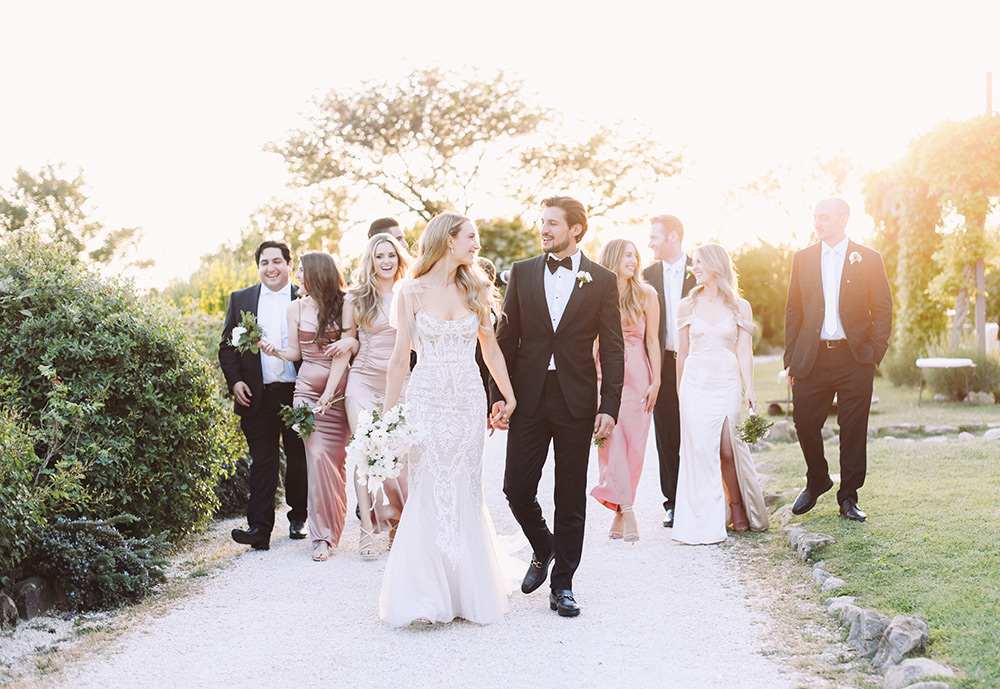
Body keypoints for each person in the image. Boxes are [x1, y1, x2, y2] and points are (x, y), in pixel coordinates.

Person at [379, 212, 517, 626]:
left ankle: (466, 590)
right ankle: (425, 593)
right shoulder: (410, 292)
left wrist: (508, 395)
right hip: (428, 399)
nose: (477, 244)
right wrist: (388, 419)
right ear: (448, 240)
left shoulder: (476, 287)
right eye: (471, 237)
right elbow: (400, 357)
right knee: (428, 485)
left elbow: (490, 349)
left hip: (468, 400)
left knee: (465, 486)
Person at [494, 196, 624, 618]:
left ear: (575, 230)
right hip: (528, 397)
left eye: (552, 223)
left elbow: (615, 349)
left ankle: (563, 583)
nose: (544, 229)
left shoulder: (602, 279)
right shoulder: (523, 272)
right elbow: (505, 340)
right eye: (542, 222)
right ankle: (543, 546)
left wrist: (611, 405)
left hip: (576, 399)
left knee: (570, 496)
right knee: (515, 488)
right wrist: (499, 395)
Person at [785, 198, 892, 522]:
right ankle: (818, 478)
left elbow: (883, 308)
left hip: (854, 358)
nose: (818, 223)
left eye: (825, 217)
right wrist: (790, 358)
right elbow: (793, 311)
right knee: (804, 422)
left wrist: (874, 352)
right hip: (812, 358)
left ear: (844, 218)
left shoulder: (869, 258)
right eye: (815, 217)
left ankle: (848, 498)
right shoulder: (802, 259)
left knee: (853, 429)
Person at [671, 244, 769, 544]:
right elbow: (682, 353)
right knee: (701, 452)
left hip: (726, 380)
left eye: (699, 262)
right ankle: (707, 519)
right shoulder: (686, 305)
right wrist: (679, 393)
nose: (694, 268)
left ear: (716, 264)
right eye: (694, 263)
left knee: (728, 449)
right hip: (695, 383)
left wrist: (749, 387)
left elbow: (744, 349)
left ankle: (737, 505)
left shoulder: (740, 305)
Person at [261, 252, 351, 561]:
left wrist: (329, 393)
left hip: (338, 392)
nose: (297, 275)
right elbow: (296, 353)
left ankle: (334, 524)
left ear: (318, 272)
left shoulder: (345, 304)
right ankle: (321, 537)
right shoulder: (295, 307)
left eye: (301, 270)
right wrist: (274, 351)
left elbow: (344, 355)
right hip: (305, 392)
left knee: (335, 461)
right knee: (315, 457)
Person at [219, 240, 308, 550]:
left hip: (298, 393)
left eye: (277, 262)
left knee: (298, 459)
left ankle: (299, 516)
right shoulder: (241, 299)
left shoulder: (304, 295)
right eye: (264, 263)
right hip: (256, 396)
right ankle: (259, 529)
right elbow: (227, 347)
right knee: (263, 461)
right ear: (258, 267)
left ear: (288, 264)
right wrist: (235, 382)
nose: (271, 268)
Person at [332, 233, 411, 560]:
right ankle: (366, 531)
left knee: (398, 456)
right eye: (379, 256)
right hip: (362, 381)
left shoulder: (409, 293)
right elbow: (349, 341)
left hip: (399, 382)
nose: (386, 261)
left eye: (391, 255)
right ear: (371, 260)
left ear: (399, 258)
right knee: (365, 453)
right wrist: (329, 391)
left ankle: (398, 524)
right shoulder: (356, 298)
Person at [590, 239, 660, 543]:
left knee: (634, 444)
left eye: (636, 255)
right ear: (614, 258)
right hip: (603, 371)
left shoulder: (646, 294)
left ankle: (619, 509)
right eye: (628, 255)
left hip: (637, 375)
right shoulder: (595, 292)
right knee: (610, 438)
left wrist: (656, 380)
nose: (634, 260)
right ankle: (628, 509)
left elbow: (653, 341)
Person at [643, 215, 696, 528]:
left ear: (673, 237)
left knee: (699, 429)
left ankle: (701, 496)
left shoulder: (700, 268)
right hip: (662, 362)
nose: (650, 243)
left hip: (697, 361)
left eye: (655, 237)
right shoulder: (648, 275)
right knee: (666, 433)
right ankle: (673, 501)